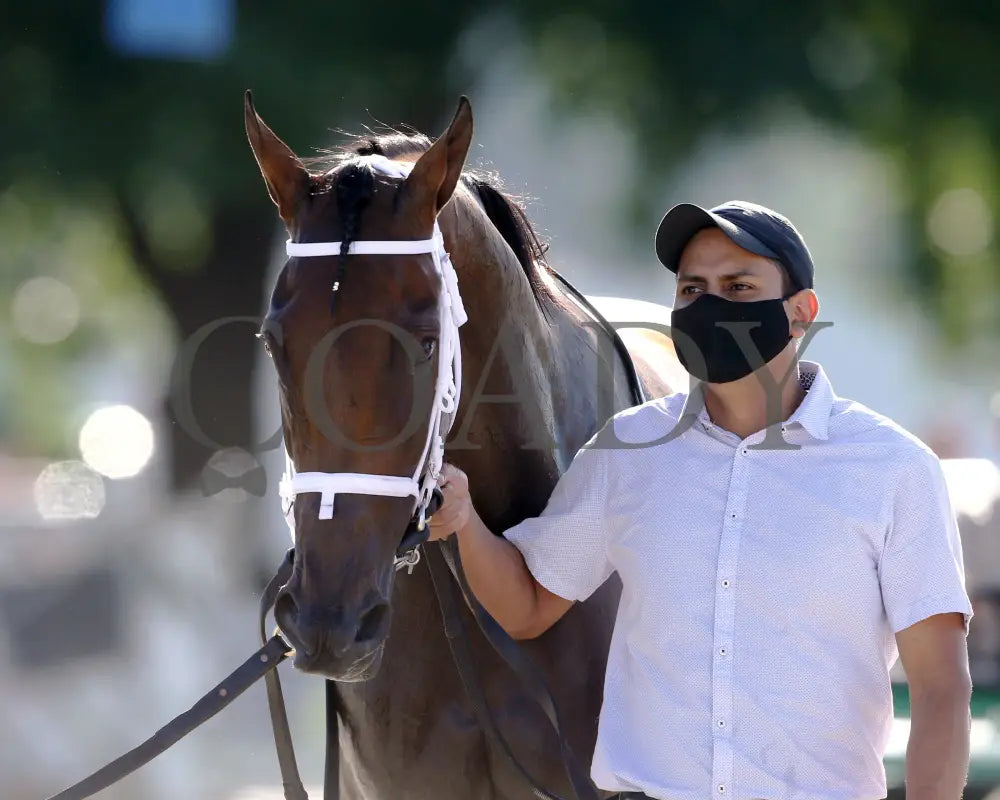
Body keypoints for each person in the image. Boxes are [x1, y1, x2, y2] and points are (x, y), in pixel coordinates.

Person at [428, 200, 974, 800]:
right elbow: (528, 604)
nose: (710, 306)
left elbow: (941, 686)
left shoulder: (893, 468)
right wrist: (465, 520)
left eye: (738, 287)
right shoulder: (629, 450)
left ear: (800, 313)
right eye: (693, 289)